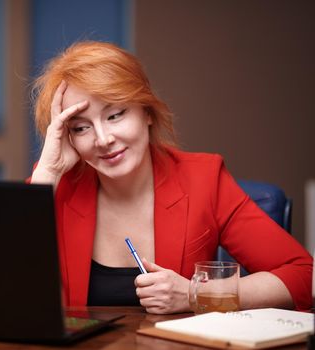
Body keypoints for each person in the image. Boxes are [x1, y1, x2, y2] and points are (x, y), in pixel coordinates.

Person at [29, 40, 313, 314]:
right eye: (81, 128)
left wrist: (195, 294)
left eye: (115, 115)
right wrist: (47, 172)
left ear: (147, 112)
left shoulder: (204, 178)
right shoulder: (55, 186)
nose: (103, 139)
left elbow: (304, 275)